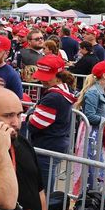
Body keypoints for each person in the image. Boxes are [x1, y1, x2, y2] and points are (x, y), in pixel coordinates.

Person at [25, 54, 77, 192]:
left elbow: (34, 125)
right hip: (56, 142)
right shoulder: (64, 91)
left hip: (47, 144)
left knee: (43, 188)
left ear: (58, 78)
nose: (42, 80)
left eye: (46, 77)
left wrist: (30, 115)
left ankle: (44, 206)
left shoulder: (53, 97)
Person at [74, 60, 105, 189]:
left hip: (97, 133)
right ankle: (87, 195)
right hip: (90, 134)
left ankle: (94, 194)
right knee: (91, 168)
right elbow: (90, 116)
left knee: (97, 167)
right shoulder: (93, 92)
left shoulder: (103, 91)